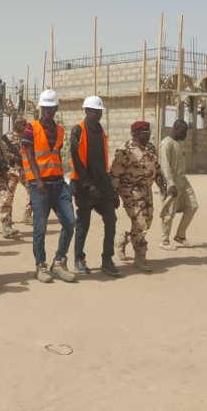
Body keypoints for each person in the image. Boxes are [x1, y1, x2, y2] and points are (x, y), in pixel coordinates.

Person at [21, 90, 76, 284]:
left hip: (58, 184)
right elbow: (29, 155)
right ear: (40, 108)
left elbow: (56, 154)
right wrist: (38, 181)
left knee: (70, 222)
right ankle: (40, 265)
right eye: (44, 108)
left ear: (56, 108)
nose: (46, 111)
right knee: (40, 228)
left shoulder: (59, 130)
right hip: (40, 185)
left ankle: (58, 262)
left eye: (50, 108)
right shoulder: (31, 128)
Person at [69, 95, 122, 277]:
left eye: (100, 112)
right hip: (83, 187)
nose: (98, 115)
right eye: (95, 111)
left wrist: (112, 192)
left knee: (111, 220)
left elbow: (102, 165)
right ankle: (79, 259)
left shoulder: (100, 131)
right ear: (86, 111)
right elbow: (77, 161)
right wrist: (88, 185)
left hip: (101, 185)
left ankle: (107, 260)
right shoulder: (78, 130)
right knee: (83, 224)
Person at [111, 121, 168, 271]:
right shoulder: (124, 150)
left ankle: (123, 238)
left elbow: (156, 168)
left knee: (146, 223)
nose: (149, 135)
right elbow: (115, 174)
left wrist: (162, 184)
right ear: (135, 134)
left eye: (149, 132)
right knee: (140, 223)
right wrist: (114, 193)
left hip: (146, 191)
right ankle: (140, 258)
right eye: (145, 133)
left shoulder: (150, 148)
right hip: (131, 192)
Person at [159, 119, 200, 250]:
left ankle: (180, 236)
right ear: (175, 129)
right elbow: (165, 166)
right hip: (171, 183)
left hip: (183, 181)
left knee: (193, 206)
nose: (185, 134)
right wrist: (171, 184)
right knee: (169, 213)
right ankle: (164, 241)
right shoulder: (166, 144)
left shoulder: (179, 143)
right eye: (183, 131)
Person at [5, 117, 32, 227]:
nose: (25, 126)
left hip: (25, 169)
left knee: (32, 191)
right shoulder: (8, 137)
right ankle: (7, 218)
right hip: (13, 170)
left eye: (26, 124)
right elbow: (3, 152)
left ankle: (27, 214)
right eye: (23, 124)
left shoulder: (27, 137)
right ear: (16, 125)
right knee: (9, 196)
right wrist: (14, 157)